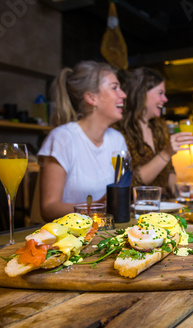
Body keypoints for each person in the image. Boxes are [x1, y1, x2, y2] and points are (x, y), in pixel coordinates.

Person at [38, 61, 128, 221]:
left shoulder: (117, 139)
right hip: (70, 237)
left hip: (105, 231)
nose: (123, 95)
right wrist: (96, 207)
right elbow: (48, 208)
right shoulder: (62, 138)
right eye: (114, 88)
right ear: (91, 97)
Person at [115, 67, 193, 198]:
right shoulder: (119, 131)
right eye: (160, 93)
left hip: (163, 205)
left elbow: (169, 169)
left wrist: (181, 196)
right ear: (142, 93)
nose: (165, 99)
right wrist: (166, 153)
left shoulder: (159, 126)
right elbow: (131, 183)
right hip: (134, 209)